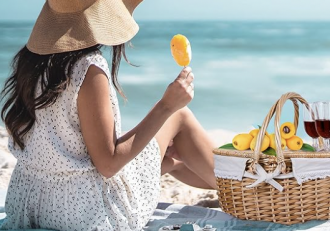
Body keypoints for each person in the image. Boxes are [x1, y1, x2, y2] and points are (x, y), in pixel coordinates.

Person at [0, 0, 217, 230]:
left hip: (29, 204)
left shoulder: (31, 61)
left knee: (167, 159)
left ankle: (173, 166)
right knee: (178, 116)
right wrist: (167, 105)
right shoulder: (87, 68)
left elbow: (73, 150)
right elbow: (108, 165)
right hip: (81, 211)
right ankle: (242, 189)